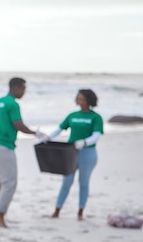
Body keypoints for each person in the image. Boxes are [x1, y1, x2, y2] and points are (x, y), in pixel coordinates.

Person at [0, 77, 45, 228]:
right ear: (17, 87)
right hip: (3, 145)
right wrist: (34, 133)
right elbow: (17, 124)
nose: (24, 92)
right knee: (9, 183)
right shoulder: (13, 104)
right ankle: (0, 217)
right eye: (23, 89)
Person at [44, 89, 103, 220]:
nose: (80, 101)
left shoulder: (95, 117)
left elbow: (96, 135)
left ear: (89, 100)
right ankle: (57, 210)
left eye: (83, 99)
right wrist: (48, 137)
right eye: (78, 98)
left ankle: (80, 211)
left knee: (83, 182)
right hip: (70, 152)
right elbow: (59, 129)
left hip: (88, 153)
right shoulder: (72, 115)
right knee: (66, 181)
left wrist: (85, 142)